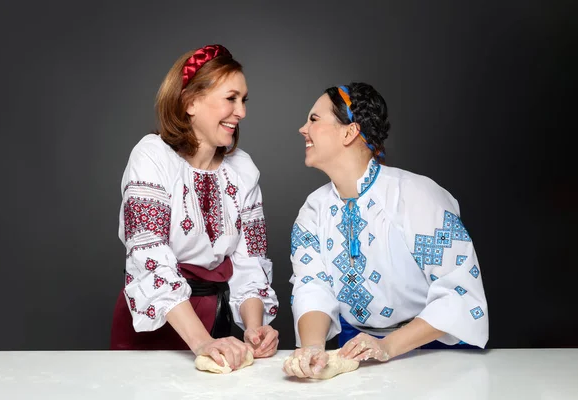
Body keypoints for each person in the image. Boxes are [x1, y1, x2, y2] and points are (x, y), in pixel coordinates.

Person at [283, 82, 488, 378]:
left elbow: (459, 293)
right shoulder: (313, 210)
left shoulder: (416, 196)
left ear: (349, 132)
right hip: (354, 351)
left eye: (314, 119)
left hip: (432, 351)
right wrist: (313, 347)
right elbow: (312, 285)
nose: (303, 129)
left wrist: (387, 346)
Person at [110, 44, 279, 370]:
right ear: (190, 102)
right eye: (231, 98)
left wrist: (254, 328)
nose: (241, 111)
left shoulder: (243, 169)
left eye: (244, 100)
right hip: (158, 320)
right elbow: (151, 261)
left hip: (214, 322)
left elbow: (249, 262)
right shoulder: (152, 156)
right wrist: (201, 341)